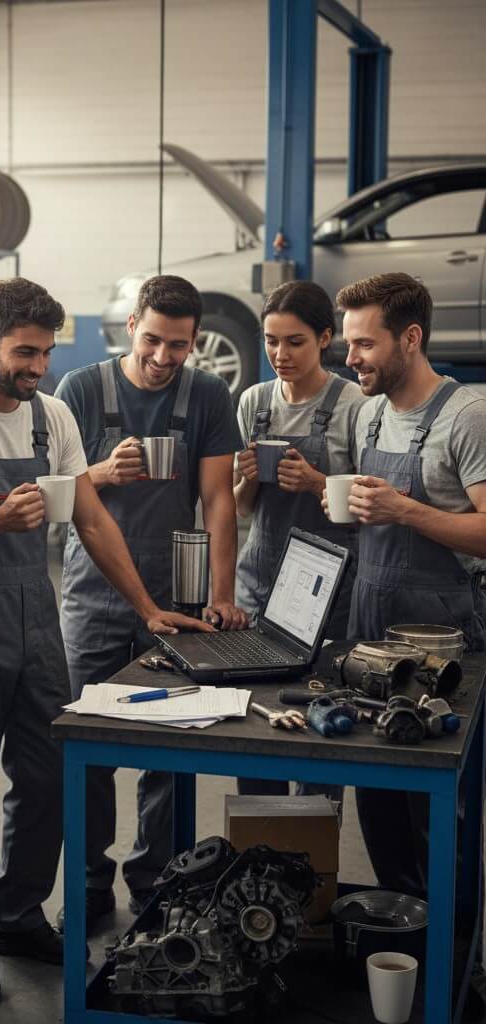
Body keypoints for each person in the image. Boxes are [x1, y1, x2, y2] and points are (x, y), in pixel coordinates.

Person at [0, 277, 209, 1000]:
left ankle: (16, 914)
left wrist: (145, 608)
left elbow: (92, 518)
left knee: (45, 775)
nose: (37, 368)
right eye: (23, 353)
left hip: (36, 619)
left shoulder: (51, 419)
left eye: (44, 353)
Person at [54, 274, 247, 927]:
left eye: (181, 346)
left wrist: (222, 595)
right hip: (94, 595)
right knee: (90, 746)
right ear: (131, 323)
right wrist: (106, 472)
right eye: (154, 340)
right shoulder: (81, 390)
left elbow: (219, 499)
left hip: (178, 599)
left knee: (172, 750)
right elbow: (64, 491)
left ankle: (158, 877)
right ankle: (86, 879)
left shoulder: (211, 395)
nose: (165, 357)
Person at [327, 272, 486, 896]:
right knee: (380, 799)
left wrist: (406, 511)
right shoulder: (367, 415)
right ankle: (404, 933)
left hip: (443, 648)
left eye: (364, 344)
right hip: (371, 637)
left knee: (443, 814)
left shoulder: (467, 416)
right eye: (349, 342)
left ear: (410, 338)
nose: (350, 357)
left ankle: (455, 964)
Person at [234, 280, 366, 802]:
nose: (280, 355)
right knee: (253, 726)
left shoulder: (354, 404)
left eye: (295, 342)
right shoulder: (253, 401)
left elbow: (365, 511)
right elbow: (242, 508)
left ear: (325, 339)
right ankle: (258, 861)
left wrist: (314, 483)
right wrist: (246, 477)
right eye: (271, 341)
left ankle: (313, 861)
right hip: (260, 580)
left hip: (328, 592)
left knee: (322, 727)